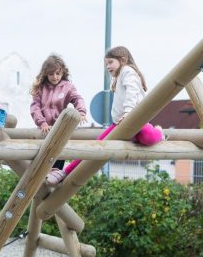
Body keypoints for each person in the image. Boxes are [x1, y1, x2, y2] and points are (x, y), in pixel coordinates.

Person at [46, 46, 163, 186]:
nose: (107, 66)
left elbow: (131, 93)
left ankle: (159, 133)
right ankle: (63, 172)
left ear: (123, 60)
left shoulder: (128, 72)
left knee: (148, 138)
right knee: (99, 144)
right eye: (106, 64)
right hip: (121, 123)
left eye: (110, 62)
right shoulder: (119, 76)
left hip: (133, 120)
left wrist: (127, 114)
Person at [29, 53, 88, 179]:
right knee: (43, 155)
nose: (55, 77)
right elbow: (35, 107)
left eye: (58, 73)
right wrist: (42, 122)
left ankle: (55, 175)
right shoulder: (41, 88)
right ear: (46, 74)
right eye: (51, 74)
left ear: (63, 73)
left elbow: (77, 98)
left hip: (60, 127)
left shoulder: (67, 87)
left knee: (59, 152)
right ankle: (42, 176)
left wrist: (81, 112)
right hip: (46, 128)